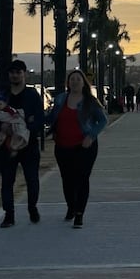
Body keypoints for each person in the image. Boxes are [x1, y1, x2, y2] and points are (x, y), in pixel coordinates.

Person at [44, 70, 108, 228]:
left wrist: (91, 136)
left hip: (84, 147)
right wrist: (36, 118)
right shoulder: (60, 99)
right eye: (72, 79)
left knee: (82, 179)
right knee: (67, 180)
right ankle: (71, 207)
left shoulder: (90, 101)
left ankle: (79, 214)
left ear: (84, 82)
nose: (74, 82)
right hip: (62, 146)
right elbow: (52, 118)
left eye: (78, 79)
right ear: (68, 82)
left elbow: (102, 120)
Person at [0, 59, 44, 228]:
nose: (15, 75)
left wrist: (25, 129)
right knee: (7, 181)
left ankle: (32, 207)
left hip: (29, 145)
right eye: (12, 72)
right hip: (7, 145)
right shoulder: (2, 94)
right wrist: (2, 126)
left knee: (32, 180)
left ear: (24, 74)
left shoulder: (32, 95)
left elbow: (39, 119)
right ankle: (9, 215)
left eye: (18, 72)